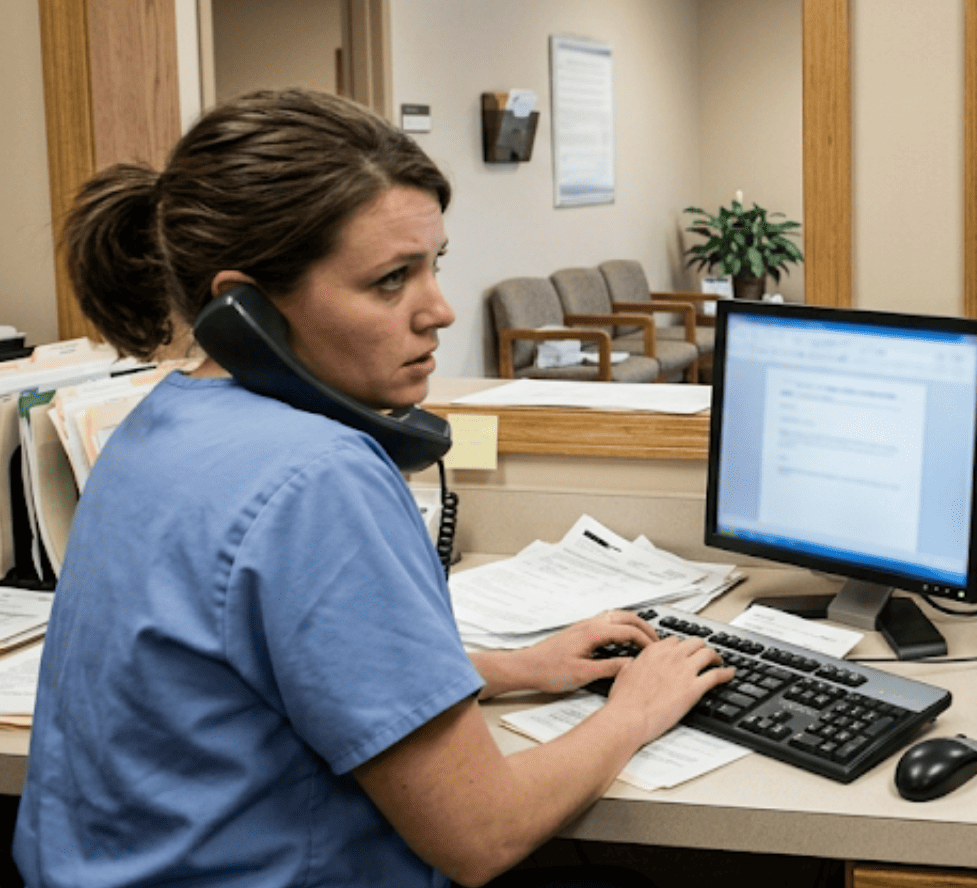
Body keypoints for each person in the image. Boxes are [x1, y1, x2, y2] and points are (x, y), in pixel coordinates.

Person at [16, 89, 734, 888]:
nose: (440, 309)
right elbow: (480, 832)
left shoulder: (154, 427)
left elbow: (278, 671)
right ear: (242, 306)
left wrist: (511, 667)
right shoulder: (319, 475)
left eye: (435, 264)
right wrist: (634, 710)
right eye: (392, 279)